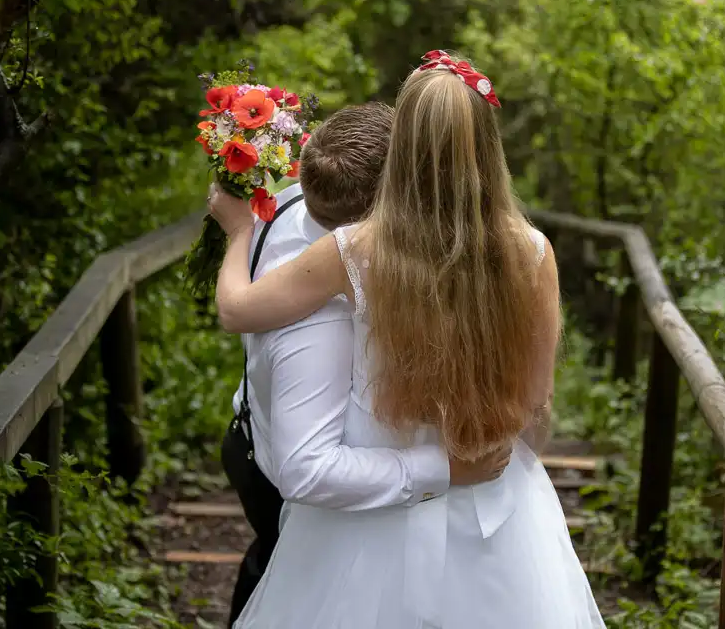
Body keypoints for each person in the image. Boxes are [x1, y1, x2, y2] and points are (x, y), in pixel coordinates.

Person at [209, 51, 605, 628]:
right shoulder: (534, 254)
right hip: (494, 497)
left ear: (403, 150)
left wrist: (240, 232)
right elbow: (534, 406)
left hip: (369, 517)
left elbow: (237, 310)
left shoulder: (354, 251)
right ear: (488, 148)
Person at [219, 101, 512, 626]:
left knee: (274, 575)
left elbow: (234, 305)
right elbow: (307, 470)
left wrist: (238, 232)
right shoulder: (323, 311)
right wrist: (444, 469)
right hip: (289, 470)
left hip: (255, 430)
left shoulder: (288, 203)